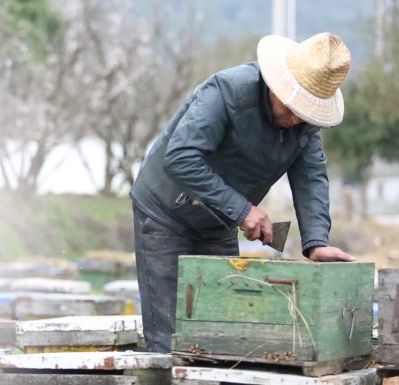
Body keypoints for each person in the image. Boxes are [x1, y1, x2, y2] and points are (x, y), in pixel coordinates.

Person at [130, 32, 356, 353]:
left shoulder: (303, 125)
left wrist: (316, 241)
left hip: (217, 221)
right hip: (164, 212)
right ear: (276, 84)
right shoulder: (227, 92)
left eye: (303, 112)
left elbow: (311, 177)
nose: (294, 119)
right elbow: (181, 157)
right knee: (170, 343)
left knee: (221, 337)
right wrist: (243, 210)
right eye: (291, 106)